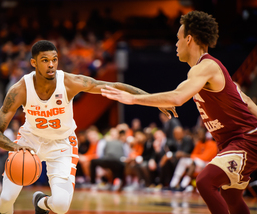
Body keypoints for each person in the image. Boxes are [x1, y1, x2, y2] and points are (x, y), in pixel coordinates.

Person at [0, 40, 176, 214]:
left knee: (61, 206)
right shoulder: (20, 89)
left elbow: (114, 86)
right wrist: (14, 147)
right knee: (6, 198)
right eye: (44, 60)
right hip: (30, 141)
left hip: (62, 144)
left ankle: (41, 202)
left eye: (54, 60)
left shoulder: (70, 82)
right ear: (33, 63)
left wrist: (153, 100)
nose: (51, 65)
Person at [101, 10, 257, 214]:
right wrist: (158, 101)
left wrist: (133, 99)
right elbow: (246, 100)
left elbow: (177, 97)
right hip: (232, 142)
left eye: (178, 39)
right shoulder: (205, 72)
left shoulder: (205, 66)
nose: (176, 44)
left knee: (205, 181)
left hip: (244, 139)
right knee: (231, 196)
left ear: (189, 39)